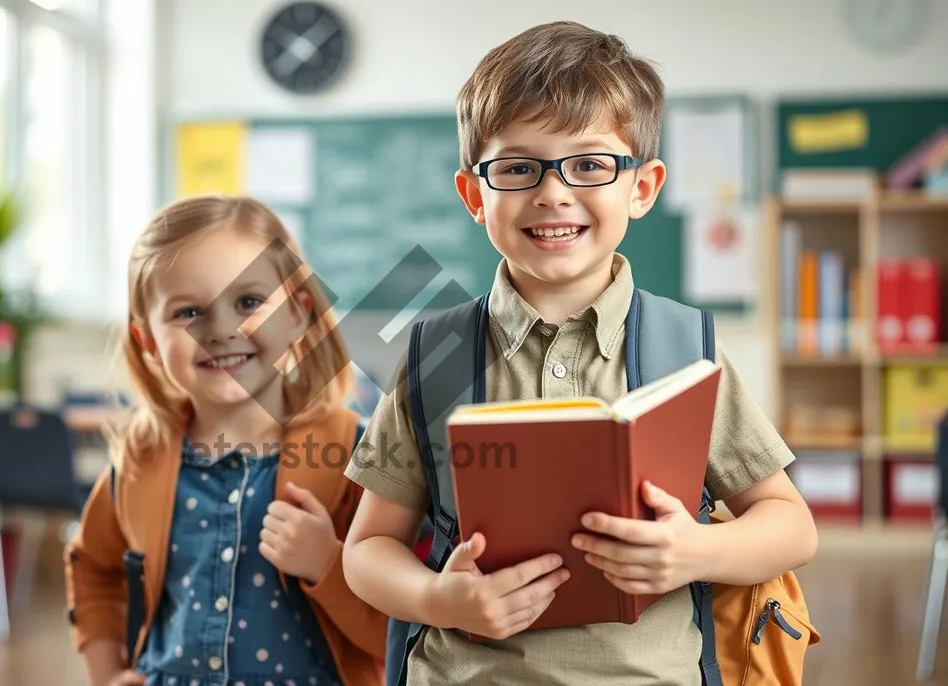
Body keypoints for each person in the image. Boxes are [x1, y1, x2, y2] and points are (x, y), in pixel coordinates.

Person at [340, 21, 819, 686]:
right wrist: (437, 598)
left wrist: (697, 550)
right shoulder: (435, 356)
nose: (553, 192)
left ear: (643, 187)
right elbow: (368, 548)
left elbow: (792, 527)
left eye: (590, 164)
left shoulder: (687, 351)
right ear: (476, 195)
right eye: (517, 167)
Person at [64, 195, 388, 686]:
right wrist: (107, 672)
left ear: (298, 314)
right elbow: (92, 566)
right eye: (189, 311)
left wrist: (328, 563)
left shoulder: (356, 458)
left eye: (249, 302)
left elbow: (403, 623)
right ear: (148, 340)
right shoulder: (140, 462)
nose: (220, 330)